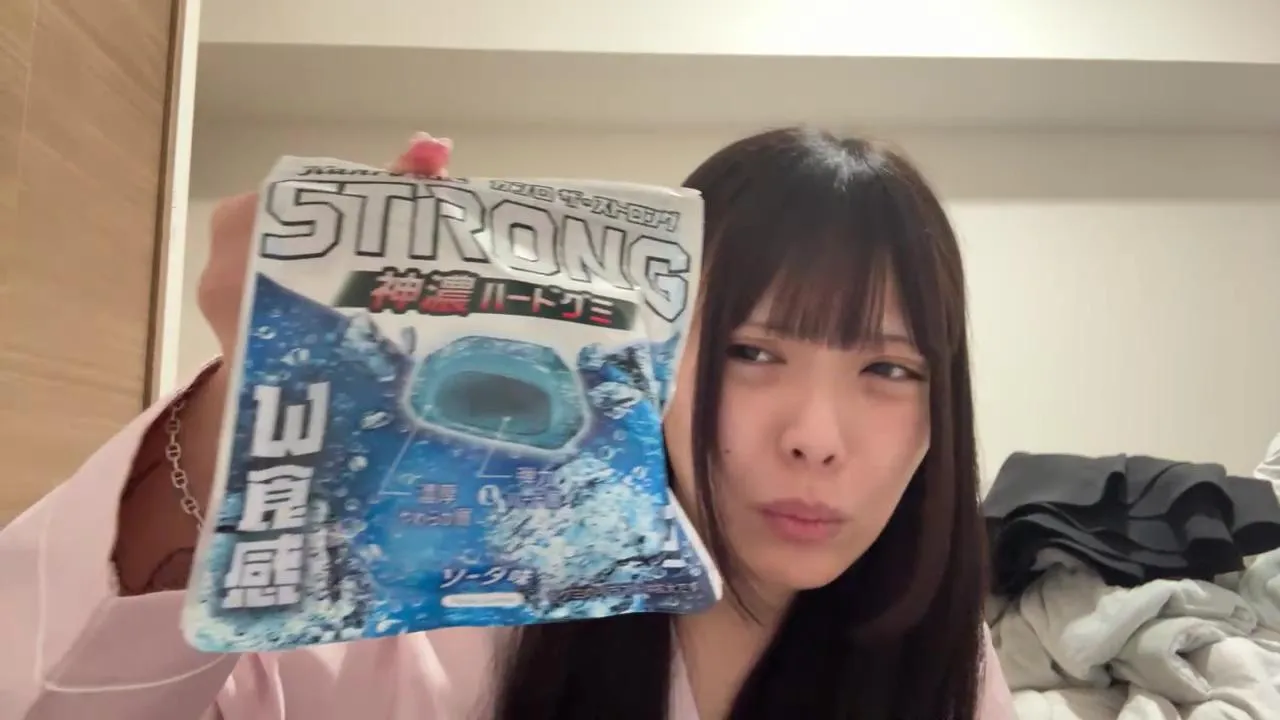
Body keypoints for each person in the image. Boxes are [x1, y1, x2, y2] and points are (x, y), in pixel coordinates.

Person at [0, 128, 1015, 720]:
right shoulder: (436, 596)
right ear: (648, 358)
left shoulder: (945, 669)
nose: (817, 436)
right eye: (753, 351)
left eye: (888, 370)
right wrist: (250, 398)